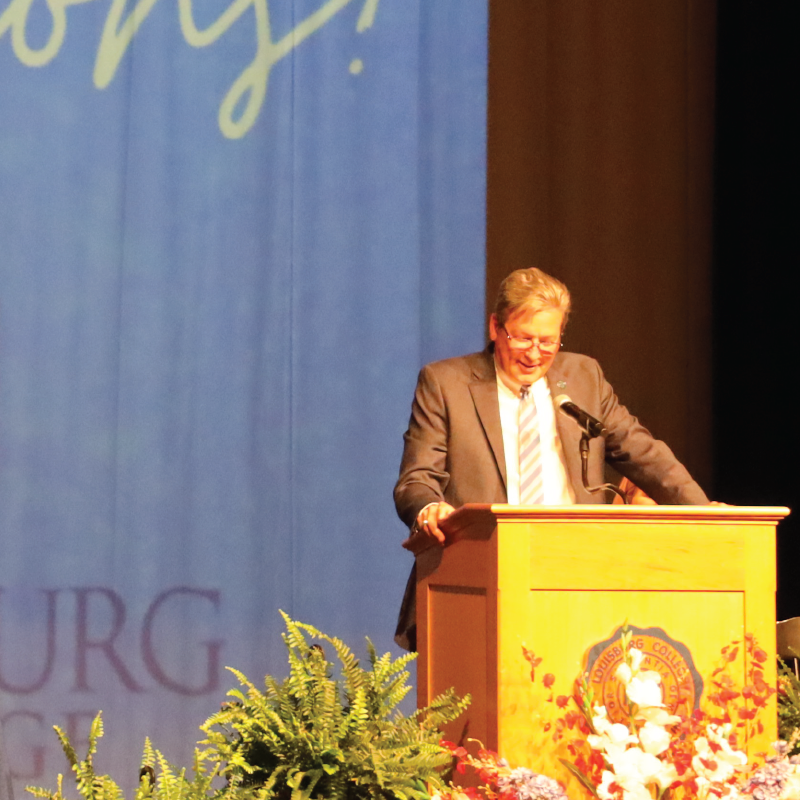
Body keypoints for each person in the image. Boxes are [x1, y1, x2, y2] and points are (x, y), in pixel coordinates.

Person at [393, 267, 709, 650]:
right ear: (495, 327)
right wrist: (429, 509)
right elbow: (417, 479)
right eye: (523, 339)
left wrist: (706, 515)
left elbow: (644, 454)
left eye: (548, 341)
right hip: (480, 575)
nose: (535, 354)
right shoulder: (446, 383)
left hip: (578, 573)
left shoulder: (583, 377)